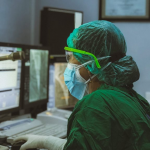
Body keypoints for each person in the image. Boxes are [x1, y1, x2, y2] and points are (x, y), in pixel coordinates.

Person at [1, 20, 150, 150]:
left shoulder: (96, 105)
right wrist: (45, 141)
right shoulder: (131, 98)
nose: (68, 63)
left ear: (91, 64)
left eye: (71, 57)